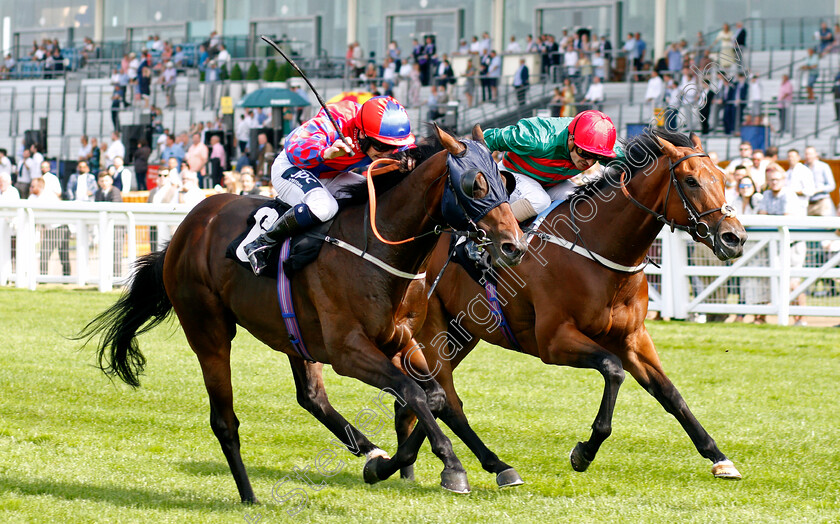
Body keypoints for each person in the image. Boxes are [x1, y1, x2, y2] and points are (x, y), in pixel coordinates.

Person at [244, 96, 416, 275]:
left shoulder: (388, 138)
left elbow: (411, 152)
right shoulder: (337, 120)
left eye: (394, 147)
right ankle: (263, 242)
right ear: (363, 134)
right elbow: (294, 146)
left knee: (376, 194)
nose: (388, 153)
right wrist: (324, 153)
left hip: (332, 175)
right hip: (291, 167)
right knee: (324, 207)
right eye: (381, 146)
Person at [483, 110, 624, 223]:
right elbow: (486, 139)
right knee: (539, 200)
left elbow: (637, 167)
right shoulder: (537, 137)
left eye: (596, 157)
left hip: (551, 184)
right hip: (512, 173)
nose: (588, 162)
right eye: (585, 153)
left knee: (580, 202)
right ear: (570, 139)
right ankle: (490, 229)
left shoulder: (604, 146)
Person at [758, 164, 808, 325]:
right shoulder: (766, 194)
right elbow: (762, 216)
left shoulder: (789, 194)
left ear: (784, 180)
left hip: (794, 244)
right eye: (771, 180)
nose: (774, 182)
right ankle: (783, 316)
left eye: (777, 179)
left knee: (794, 282)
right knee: (778, 280)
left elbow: (784, 217)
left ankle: (801, 318)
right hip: (776, 245)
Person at [803, 146, 836, 216]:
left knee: (825, 225)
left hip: (822, 202)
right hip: (808, 203)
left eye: (810, 154)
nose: (808, 156)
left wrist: (818, 190)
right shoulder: (803, 168)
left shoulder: (823, 166)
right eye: (806, 154)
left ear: (815, 154)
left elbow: (832, 185)